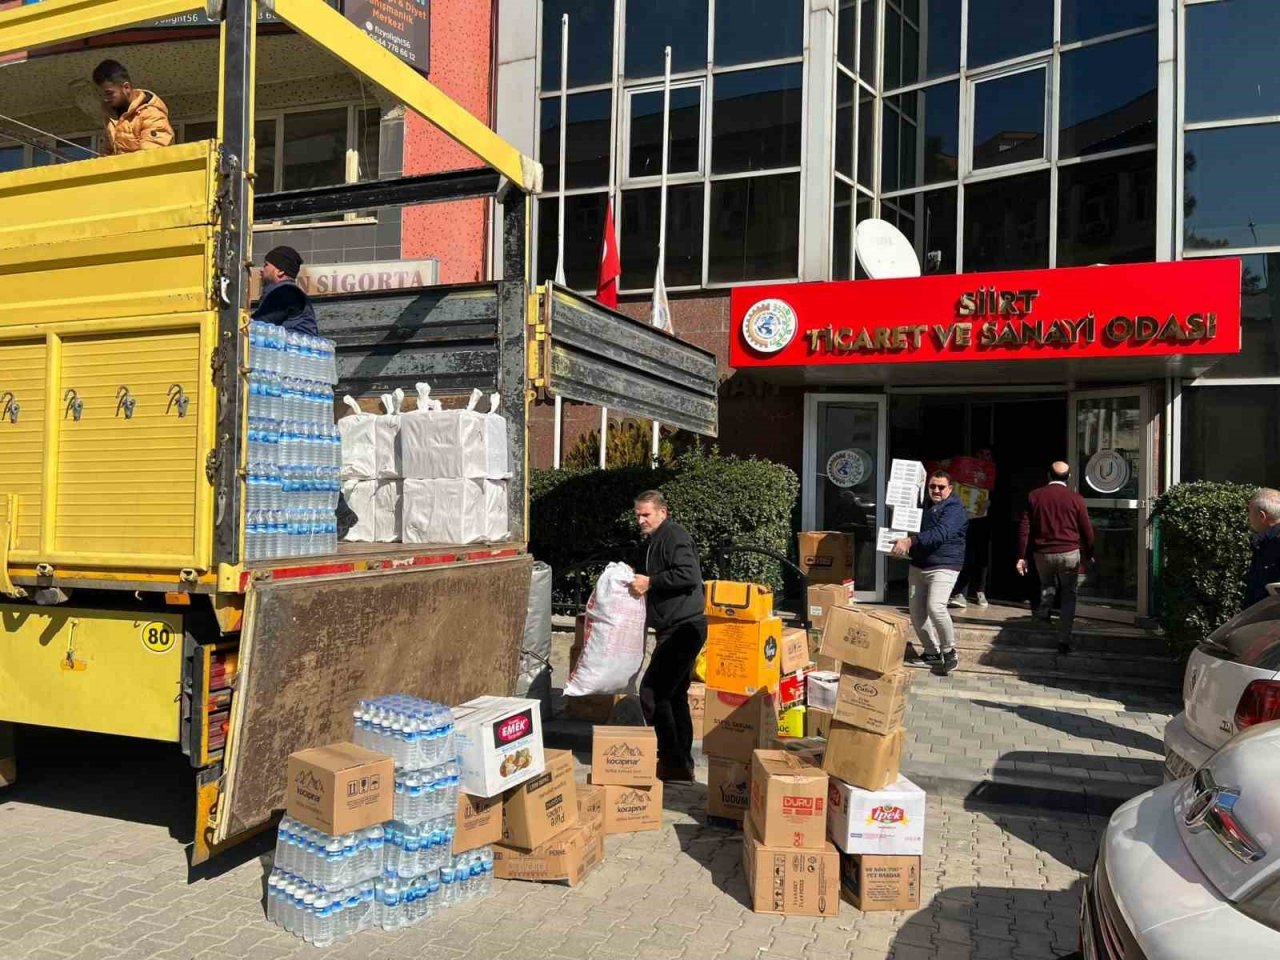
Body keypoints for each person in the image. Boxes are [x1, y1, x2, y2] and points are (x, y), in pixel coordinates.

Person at [629, 490, 706, 782]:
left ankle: (671, 758)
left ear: (663, 512)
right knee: (674, 695)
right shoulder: (655, 540)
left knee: (652, 691)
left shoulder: (674, 536)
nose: (640, 520)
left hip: (684, 628)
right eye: (637, 514)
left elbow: (688, 574)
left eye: (646, 514)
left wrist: (651, 581)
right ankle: (679, 765)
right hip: (674, 627)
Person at [893, 470, 968, 675]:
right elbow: (908, 526)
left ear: (950, 489)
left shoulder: (955, 509)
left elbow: (940, 533)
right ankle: (931, 652)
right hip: (918, 565)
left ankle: (949, 650)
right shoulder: (923, 505)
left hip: (944, 565)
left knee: (936, 607)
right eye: (932, 486)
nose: (936, 490)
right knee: (917, 612)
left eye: (941, 487)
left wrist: (910, 541)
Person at [1017, 462, 1095, 654]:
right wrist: (1089, 554)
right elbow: (1087, 530)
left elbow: (1025, 528)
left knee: (1047, 585)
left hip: (1042, 553)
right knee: (1069, 594)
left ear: (1048, 475)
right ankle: (1064, 640)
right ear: (1068, 477)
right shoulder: (1076, 498)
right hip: (1069, 553)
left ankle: (1043, 622)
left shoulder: (1034, 496)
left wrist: (1021, 556)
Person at [92, 60, 174, 155]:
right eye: (102, 95)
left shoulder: (151, 115)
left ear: (126, 87)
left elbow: (151, 157)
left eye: (109, 93)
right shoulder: (112, 118)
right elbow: (106, 155)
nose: (106, 99)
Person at [950, 447, 994, 610]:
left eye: (987, 454)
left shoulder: (991, 476)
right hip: (967, 519)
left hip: (984, 521)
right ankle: (961, 592)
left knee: (982, 557)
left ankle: (980, 590)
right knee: (966, 555)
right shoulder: (966, 473)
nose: (984, 458)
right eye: (981, 454)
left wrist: (990, 504)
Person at [253, 246, 319, 335]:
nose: (261, 269)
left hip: (293, 346)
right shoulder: (290, 292)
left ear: (280, 271)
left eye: (266, 265)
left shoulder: (285, 292)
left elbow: (259, 324)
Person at [1244, 487, 1280, 608]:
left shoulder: (1268, 543)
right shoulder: (1264, 541)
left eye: (1249, 513)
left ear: (1261, 516)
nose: (1248, 519)